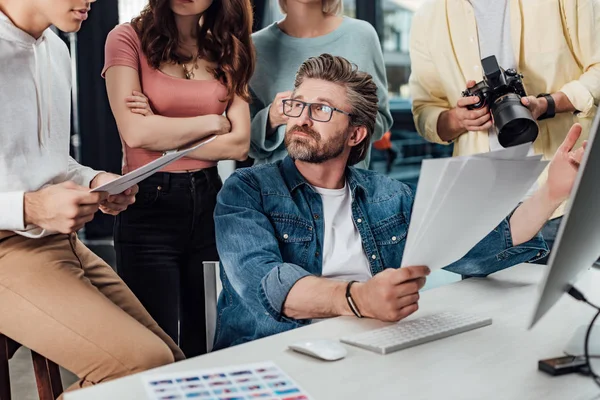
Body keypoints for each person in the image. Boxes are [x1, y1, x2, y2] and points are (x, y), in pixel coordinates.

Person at [212, 54, 587, 350]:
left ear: (356, 133)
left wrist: (552, 192)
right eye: (298, 105)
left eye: (322, 109)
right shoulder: (246, 190)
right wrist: (359, 298)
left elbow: (477, 248)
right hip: (271, 357)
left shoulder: (390, 196)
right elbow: (265, 282)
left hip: (368, 351)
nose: (303, 119)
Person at [0, 0, 184, 397]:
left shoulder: (56, 50)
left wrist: (95, 180)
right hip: (6, 251)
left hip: (56, 243)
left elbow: (47, 160)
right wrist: (30, 207)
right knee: (143, 367)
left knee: (171, 368)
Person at [103, 0, 254, 357]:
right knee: (153, 347)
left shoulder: (228, 46)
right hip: (147, 202)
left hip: (210, 200)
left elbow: (240, 144)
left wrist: (163, 129)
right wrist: (212, 123)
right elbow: (135, 133)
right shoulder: (126, 39)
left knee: (209, 339)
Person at [409, 0, 599, 262]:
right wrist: (459, 118)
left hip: (563, 200)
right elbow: (424, 111)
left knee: (574, 302)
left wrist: (547, 104)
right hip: (480, 210)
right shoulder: (428, 17)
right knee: (476, 304)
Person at [248, 0, 393, 168]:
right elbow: (246, 144)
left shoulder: (361, 35)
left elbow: (379, 119)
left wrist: (326, 127)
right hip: (271, 186)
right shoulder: (253, 47)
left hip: (341, 185)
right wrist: (271, 118)